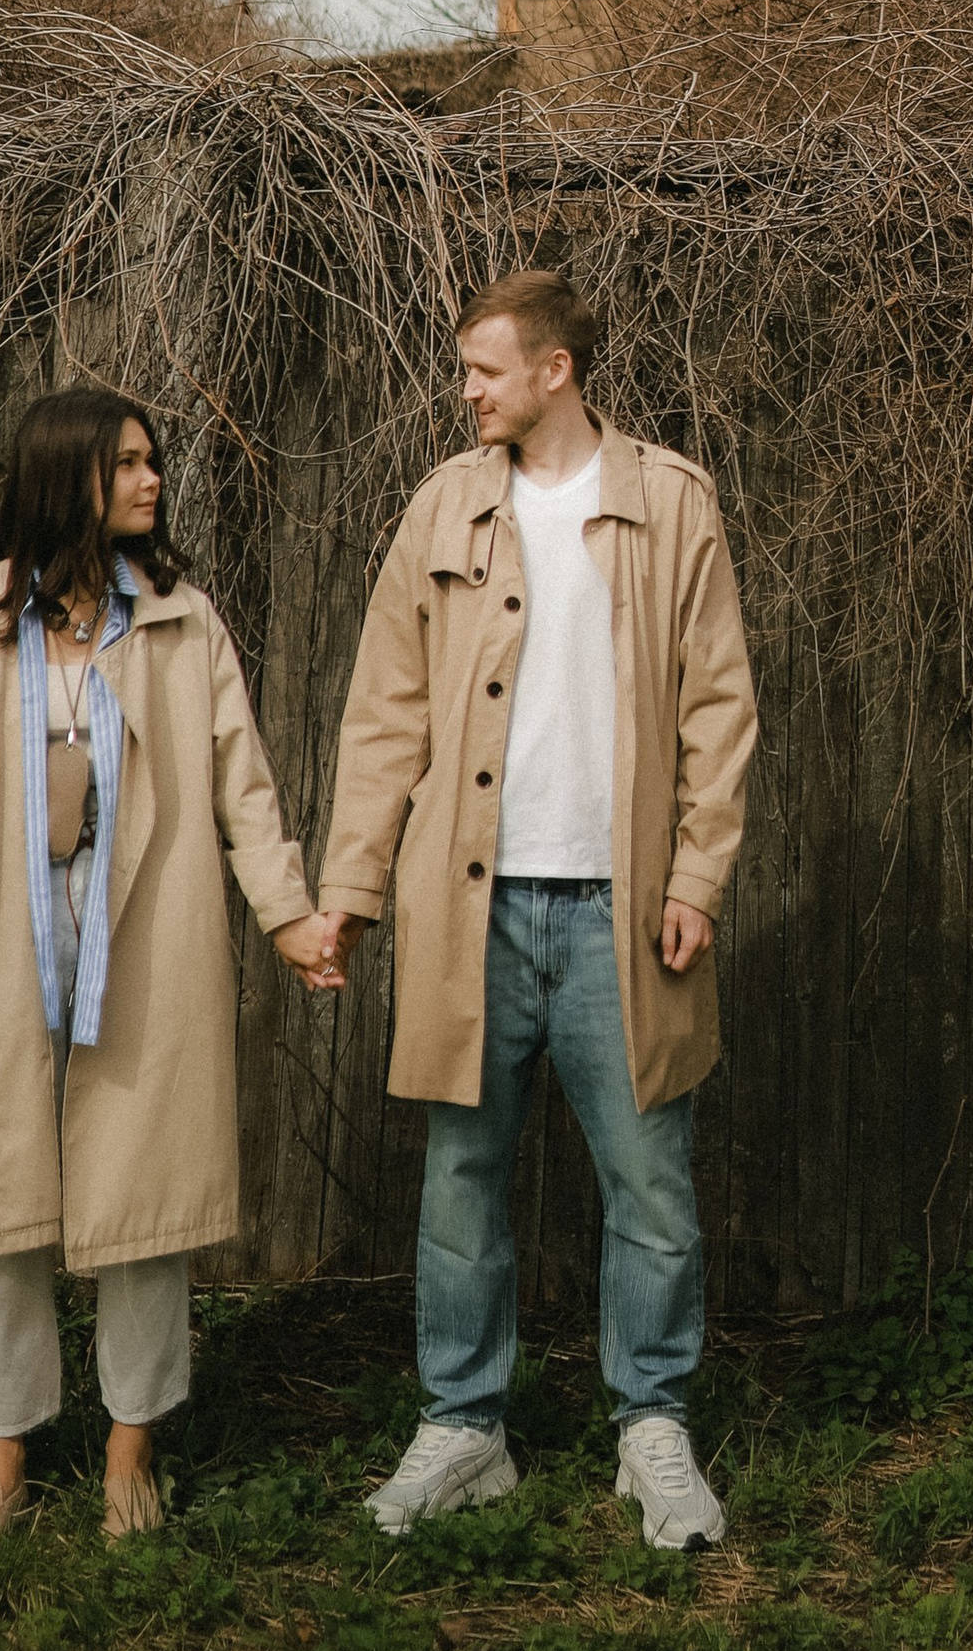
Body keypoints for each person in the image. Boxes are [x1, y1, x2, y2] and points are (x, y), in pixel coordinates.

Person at [314, 269, 758, 1552]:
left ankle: (651, 1430)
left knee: (651, 1184)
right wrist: (350, 887)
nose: (466, 392)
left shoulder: (668, 503)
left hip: (625, 910)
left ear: (555, 370)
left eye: (484, 371)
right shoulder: (442, 505)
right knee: (459, 1181)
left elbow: (720, 707)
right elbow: (384, 711)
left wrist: (695, 879)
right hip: (472, 914)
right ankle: (463, 1428)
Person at [0, 385, 333, 1539]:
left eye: (152, 461)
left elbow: (244, 784)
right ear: (65, 476)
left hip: (145, 953)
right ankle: (3, 1464)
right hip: (0, 952)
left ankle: (130, 1456)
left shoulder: (184, 626)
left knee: (146, 1217)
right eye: (127, 463)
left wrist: (287, 915)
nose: (151, 481)